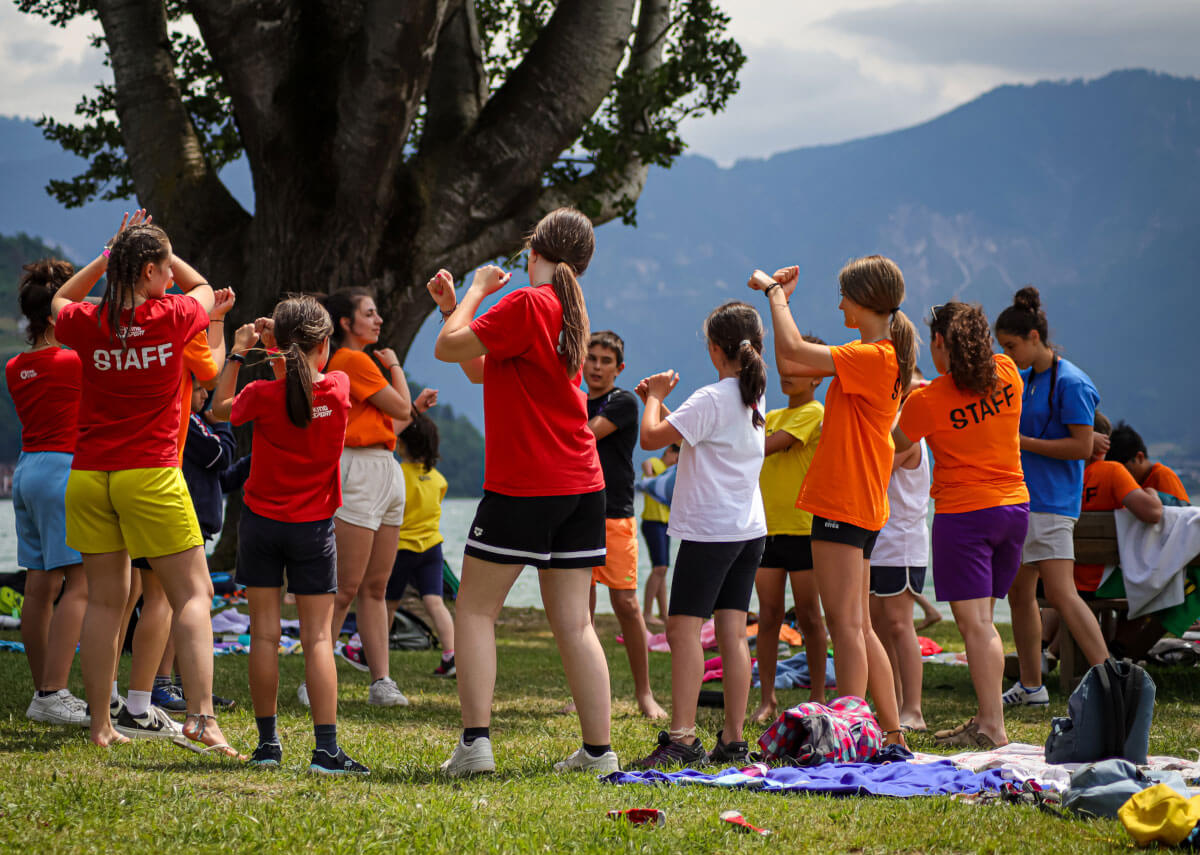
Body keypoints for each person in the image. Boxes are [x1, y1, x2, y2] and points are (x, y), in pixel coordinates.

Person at [427, 207, 616, 776]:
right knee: (575, 622)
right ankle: (599, 754)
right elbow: (481, 367)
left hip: (527, 483)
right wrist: (449, 308)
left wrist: (475, 289)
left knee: (475, 611)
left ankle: (476, 744)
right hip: (582, 484)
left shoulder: (529, 301)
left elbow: (445, 348)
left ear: (534, 251)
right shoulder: (568, 311)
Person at [51, 215, 239, 756]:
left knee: (106, 603)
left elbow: (61, 299)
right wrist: (163, 253)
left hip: (89, 475)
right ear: (153, 271)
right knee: (195, 595)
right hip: (151, 474)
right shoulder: (173, 313)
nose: (172, 282)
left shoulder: (89, 320)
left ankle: (100, 725)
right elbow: (203, 288)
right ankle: (202, 718)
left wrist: (111, 256)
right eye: (163, 272)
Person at [748, 256, 917, 746]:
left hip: (844, 500)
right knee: (859, 626)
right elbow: (791, 362)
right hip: (858, 500)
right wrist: (782, 301)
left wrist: (775, 295)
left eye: (845, 295)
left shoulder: (874, 357)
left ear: (865, 301)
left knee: (847, 626)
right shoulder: (877, 356)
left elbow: (795, 350)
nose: (840, 303)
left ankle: (855, 730)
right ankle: (890, 732)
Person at [212, 296, 367, 773]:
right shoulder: (338, 388)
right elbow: (310, 377)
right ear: (325, 346)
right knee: (319, 639)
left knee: (263, 636)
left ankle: (267, 746)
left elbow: (219, 409)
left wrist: (242, 350)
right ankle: (325, 750)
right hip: (314, 527)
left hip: (260, 524)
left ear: (276, 347)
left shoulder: (261, 394)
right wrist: (282, 346)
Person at [632, 300, 768, 769]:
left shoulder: (713, 396)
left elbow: (651, 439)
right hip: (748, 530)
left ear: (714, 350)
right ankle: (732, 739)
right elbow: (693, 432)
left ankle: (683, 737)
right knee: (732, 631)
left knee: (682, 628)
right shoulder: (752, 395)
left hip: (711, 532)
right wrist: (664, 407)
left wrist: (652, 397)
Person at [893, 301, 1030, 747]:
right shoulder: (1008, 371)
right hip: (1014, 510)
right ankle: (986, 719)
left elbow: (890, 447)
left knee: (977, 626)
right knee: (985, 621)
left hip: (965, 515)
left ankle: (993, 725)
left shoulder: (928, 400)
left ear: (939, 343)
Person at [995, 286, 1104, 708]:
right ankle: (1031, 685)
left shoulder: (1073, 382)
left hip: (1054, 503)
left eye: (1011, 346)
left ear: (1034, 337)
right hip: (1023, 500)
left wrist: (1020, 442)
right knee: (1019, 595)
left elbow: (1081, 447)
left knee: (1060, 594)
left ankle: (1107, 673)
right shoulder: (1026, 379)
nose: (1008, 354)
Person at [304, 288, 413, 709]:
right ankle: (317, 674)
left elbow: (390, 425)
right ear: (346, 323)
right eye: (369, 313)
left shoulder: (355, 363)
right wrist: (395, 364)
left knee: (375, 586)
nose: (379, 319)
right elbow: (401, 408)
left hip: (382, 466)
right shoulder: (354, 360)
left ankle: (380, 680)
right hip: (359, 470)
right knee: (346, 586)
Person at [7, 259, 88, 726]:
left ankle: (44, 689)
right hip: (64, 468)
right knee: (82, 581)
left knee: (39, 586)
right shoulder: (74, 361)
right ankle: (54, 692)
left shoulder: (18, 365)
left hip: (28, 470)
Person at [583, 330, 666, 720]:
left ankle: (644, 694)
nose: (596, 366)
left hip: (614, 514)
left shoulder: (623, 402)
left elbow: (583, 436)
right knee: (578, 609)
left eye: (605, 361)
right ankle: (584, 692)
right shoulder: (577, 401)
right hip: (576, 512)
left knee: (627, 605)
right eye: (591, 359)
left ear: (619, 368)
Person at [753, 353, 827, 724]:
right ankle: (767, 699)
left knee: (810, 617)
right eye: (785, 369)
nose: (788, 375)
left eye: (799, 370)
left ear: (817, 379)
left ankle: (817, 697)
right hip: (765, 529)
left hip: (803, 528)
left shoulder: (815, 412)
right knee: (768, 617)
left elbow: (764, 446)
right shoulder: (773, 416)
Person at [869, 372, 930, 735]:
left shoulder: (907, 435)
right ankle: (891, 703)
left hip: (902, 542)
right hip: (878, 540)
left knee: (898, 624)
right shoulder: (891, 427)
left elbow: (874, 468)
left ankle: (913, 709)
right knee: (878, 626)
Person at [385, 409, 458, 678]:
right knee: (435, 602)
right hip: (432, 549)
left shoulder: (398, 474)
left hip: (401, 548)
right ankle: (451, 656)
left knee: (387, 603)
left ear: (401, 444)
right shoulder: (439, 480)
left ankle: (371, 652)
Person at [1075, 413, 1164, 593]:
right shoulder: (1112, 472)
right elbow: (1153, 513)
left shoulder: (1060, 476)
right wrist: (1152, 492)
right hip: (1104, 581)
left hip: (1062, 579)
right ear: (1104, 443)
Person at [1107, 422, 1191, 504]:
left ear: (1139, 457)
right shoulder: (1137, 483)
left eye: (1126, 471)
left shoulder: (1162, 476)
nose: (1123, 477)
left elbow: (1178, 513)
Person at [640, 444, 678, 626]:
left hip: (665, 524)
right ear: (669, 452)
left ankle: (664, 614)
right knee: (659, 569)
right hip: (652, 522)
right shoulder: (656, 463)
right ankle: (647, 613)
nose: (676, 462)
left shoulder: (671, 472)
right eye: (676, 458)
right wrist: (650, 480)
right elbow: (646, 463)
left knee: (662, 569)